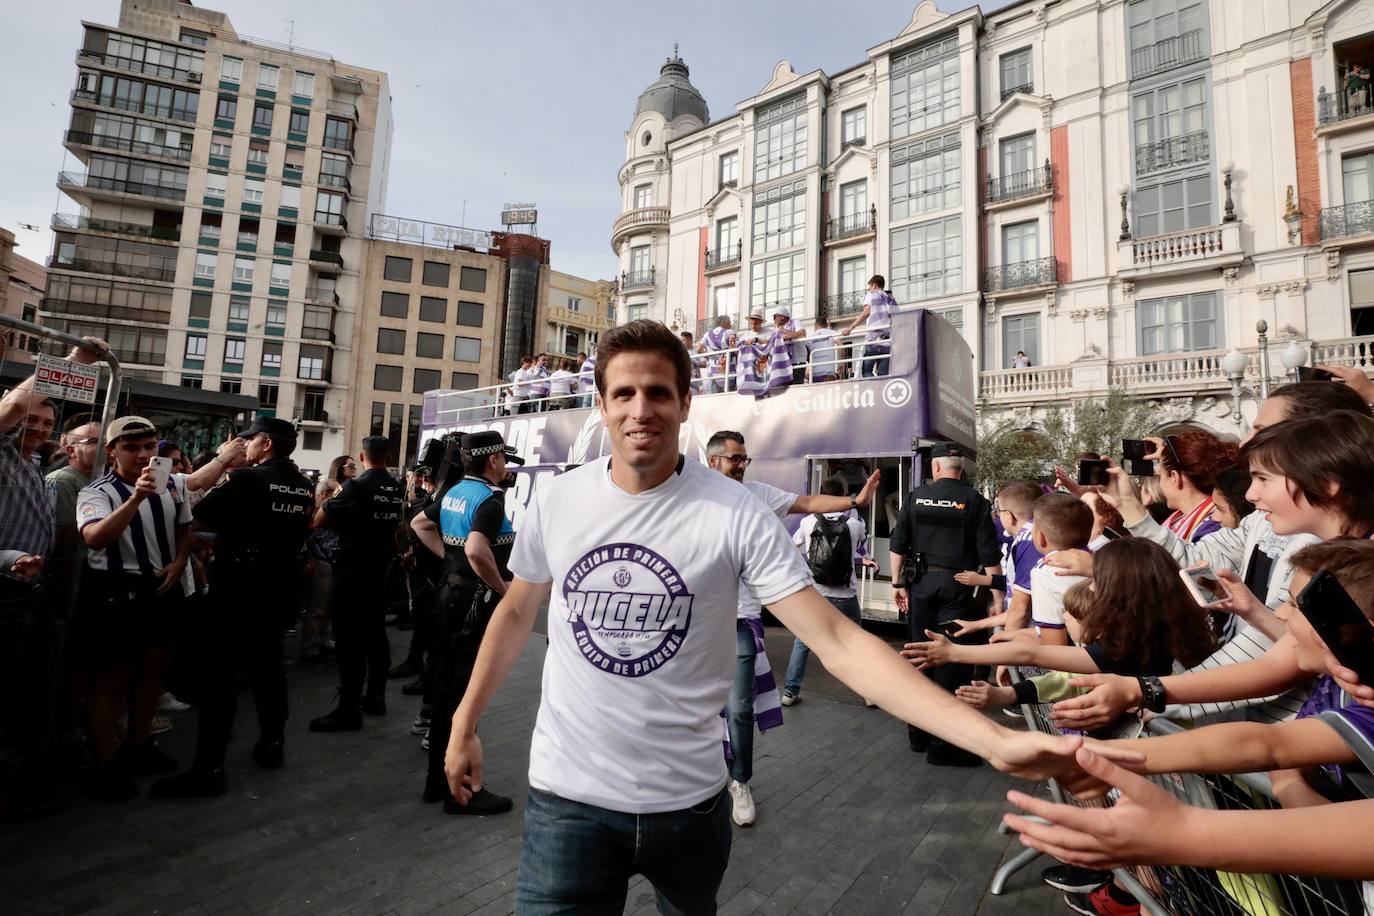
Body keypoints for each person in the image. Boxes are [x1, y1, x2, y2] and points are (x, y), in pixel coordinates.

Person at [440, 319, 1135, 914]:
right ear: (601, 403)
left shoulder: (736, 512)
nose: (640, 409)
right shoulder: (561, 502)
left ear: (686, 404)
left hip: (691, 807)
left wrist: (991, 740)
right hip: (568, 803)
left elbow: (836, 639)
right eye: (624, 393)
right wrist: (466, 723)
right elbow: (515, 614)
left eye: (658, 393)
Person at [704, 430, 879, 825]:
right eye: (735, 458)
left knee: (739, 706)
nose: (742, 465)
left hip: (739, 621)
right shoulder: (689, 492)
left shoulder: (759, 495)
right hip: (694, 621)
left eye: (745, 459)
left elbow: (807, 502)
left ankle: (740, 781)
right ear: (713, 460)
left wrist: (855, 501)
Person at [151, 417, 314, 797]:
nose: (243, 448)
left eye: (247, 442)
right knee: (268, 670)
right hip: (278, 589)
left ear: (266, 444)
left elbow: (197, 513)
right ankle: (272, 744)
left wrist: (225, 464)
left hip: (239, 589)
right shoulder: (302, 485)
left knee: (220, 678)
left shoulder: (248, 480)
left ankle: (209, 767)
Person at [76, 416, 192, 800]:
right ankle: (105, 765)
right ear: (112, 451)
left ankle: (139, 746)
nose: (143, 455)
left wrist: (179, 560)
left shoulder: (174, 484)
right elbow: (94, 538)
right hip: (117, 591)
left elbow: (184, 528)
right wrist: (137, 497)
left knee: (154, 674)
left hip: (161, 587)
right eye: (132, 448)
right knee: (112, 679)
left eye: (149, 447)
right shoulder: (98, 491)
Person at [410, 431, 520, 815]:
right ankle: (460, 791)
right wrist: (503, 589)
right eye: (504, 459)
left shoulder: (454, 491)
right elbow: (476, 548)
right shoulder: (489, 500)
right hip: (473, 604)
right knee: (463, 695)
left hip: (447, 596)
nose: (506, 466)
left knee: (446, 690)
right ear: (492, 461)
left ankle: (436, 781)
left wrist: (449, 562)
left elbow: (420, 525)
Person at [889, 442, 1004, 765]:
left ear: (935, 468)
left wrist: (898, 585)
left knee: (919, 656)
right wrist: (997, 601)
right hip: (960, 588)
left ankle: (918, 735)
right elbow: (990, 557)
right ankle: (946, 745)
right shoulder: (976, 502)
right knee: (952, 661)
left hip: (922, 585)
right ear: (960, 469)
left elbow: (898, 546)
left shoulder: (914, 499)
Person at [310, 436, 405, 732]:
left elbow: (318, 520)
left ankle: (348, 710)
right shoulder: (396, 487)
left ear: (363, 458)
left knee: (349, 640)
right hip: (380, 569)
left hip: (352, 570)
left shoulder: (356, 486)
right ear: (387, 457)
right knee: (376, 635)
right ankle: (376, 697)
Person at [781, 476, 878, 705]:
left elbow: (792, 546)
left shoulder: (808, 522)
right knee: (858, 643)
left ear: (823, 494)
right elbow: (860, 547)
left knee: (802, 642)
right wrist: (867, 559)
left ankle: (789, 692)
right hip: (846, 595)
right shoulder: (855, 523)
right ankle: (869, 694)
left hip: (818, 595)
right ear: (843, 495)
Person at [1153, 431, 1238, 543]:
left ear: (1174, 477)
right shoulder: (1178, 518)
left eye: (1161, 476)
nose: (1161, 484)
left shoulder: (1211, 528)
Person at [840, 274, 894, 378]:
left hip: (874, 339)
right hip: (888, 341)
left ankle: (872, 390)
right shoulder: (890, 298)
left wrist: (850, 328)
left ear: (874, 285)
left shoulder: (872, 295)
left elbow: (866, 312)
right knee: (883, 373)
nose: (868, 290)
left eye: (869, 287)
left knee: (866, 369)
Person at [771, 305, 807, 384]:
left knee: (796, 386)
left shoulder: (795, 322)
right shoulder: (776, 329)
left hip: (797, 361)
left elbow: (802, 334)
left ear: (781, 317)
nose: (773, 320)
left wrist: (785, 332)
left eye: (774, 317)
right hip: (784, 363)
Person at [699, 315, 733, 393]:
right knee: (730, 394)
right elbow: (733, 347)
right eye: (729, 322)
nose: (731, 325)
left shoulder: (707, 334)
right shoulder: (729, 332)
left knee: (716, 394)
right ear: (725, 322)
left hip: (713, 368)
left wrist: (710, 357)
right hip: (727, 367)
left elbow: (699, 349)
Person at [806, 315, 840, 382]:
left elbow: (806, 353)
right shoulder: (832, 333)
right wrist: (842, 362)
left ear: (816, 325)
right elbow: (840, 344)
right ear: (826, 324)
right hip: (829, 373)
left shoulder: (809, 337)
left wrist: (810, 362)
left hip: (814, 374)